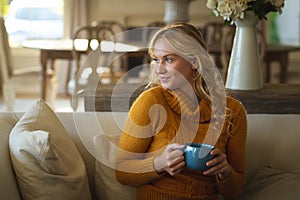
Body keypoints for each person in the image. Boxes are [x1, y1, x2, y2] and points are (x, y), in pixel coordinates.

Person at [115, 22, 247, 200]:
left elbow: (236, 190)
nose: (159, 68)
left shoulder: (233, 111)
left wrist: (225, 172)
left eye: (169, 59)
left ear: (194, 61)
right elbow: (122, 172)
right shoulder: (150, 102)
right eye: (156, 59)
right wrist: (159, 164)